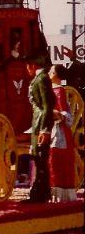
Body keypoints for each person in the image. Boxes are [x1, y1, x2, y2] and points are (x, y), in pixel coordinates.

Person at [24, 54, 55, 204]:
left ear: (32, 65)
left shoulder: (41, 79)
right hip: (38, 122)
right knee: (38, 158)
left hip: (40, 123)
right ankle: (41, 192)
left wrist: (45, 130)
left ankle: (40, 193)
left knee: (40, 158)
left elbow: (47, 106)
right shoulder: (40, 78)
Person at [48, 65, 78, 202]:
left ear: (55, 74)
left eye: (51, 71)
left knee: (55, 161)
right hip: (55, 129)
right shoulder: (52, 90)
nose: (48, 72)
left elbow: (65, 113)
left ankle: (58, 194)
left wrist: (55, 114)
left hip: (58, 132)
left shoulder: (58, 90)